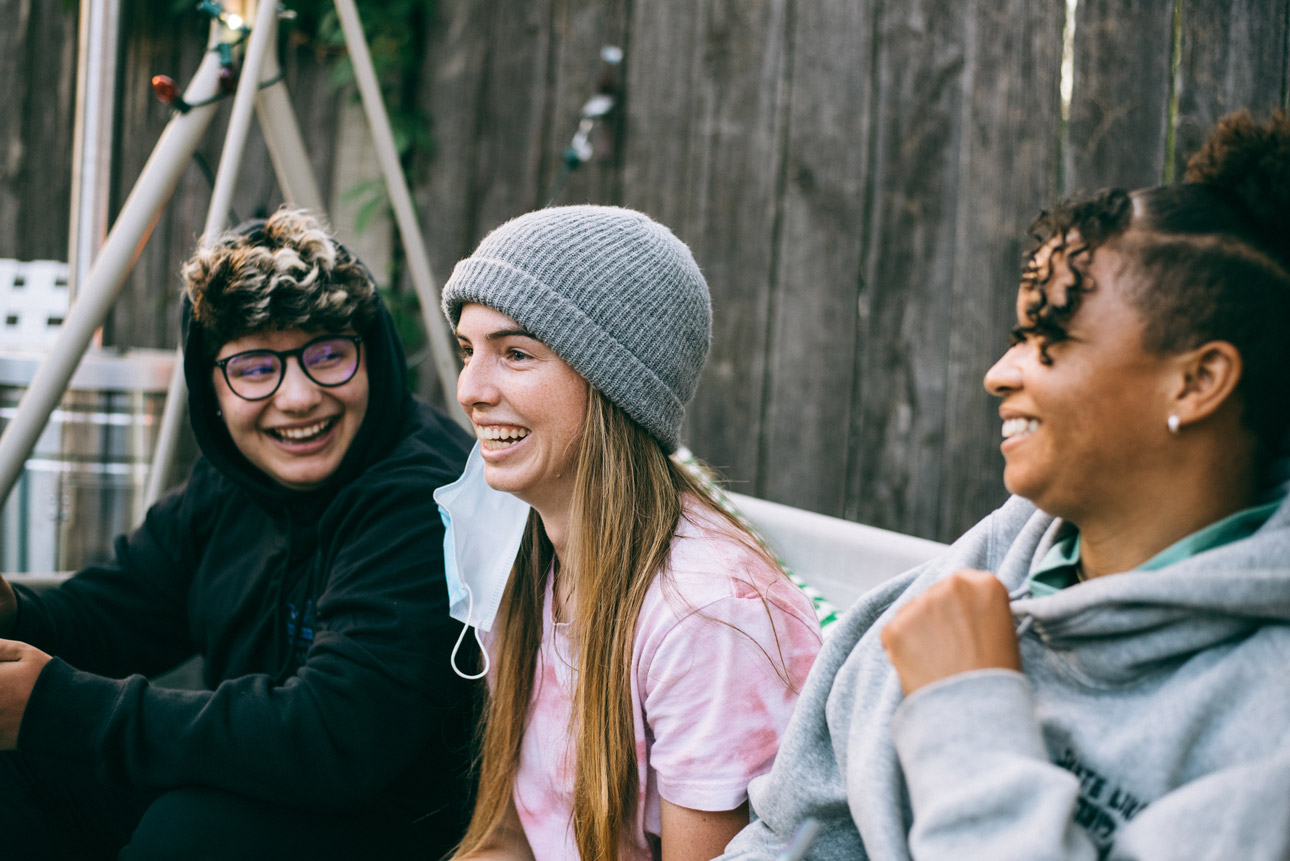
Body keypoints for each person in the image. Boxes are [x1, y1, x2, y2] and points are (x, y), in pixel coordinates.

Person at [719, 110, 1290, 859]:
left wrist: (965, 706)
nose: (997, 373)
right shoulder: (988, 562)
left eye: (1050, 339)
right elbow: (790, 834)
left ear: (1197, 380)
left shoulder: (1267, 724)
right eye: (1019, 335)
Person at [0, 208, 479, 859]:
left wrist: (58, 708)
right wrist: (15, 611)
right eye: (255, 367)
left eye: (328, 355)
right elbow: (114, 615)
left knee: (188, 833)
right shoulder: (233, 482)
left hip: (398, 824)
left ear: (372, 356)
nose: (298, 397)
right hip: (268, 785)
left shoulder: (424, 497)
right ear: (212, 389)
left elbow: (333, 734)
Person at [435, 205, 823, 861]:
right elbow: (508, 836)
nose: (469, 389)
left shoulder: (709, 617)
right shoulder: (517, 553)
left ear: (617, 385)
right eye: (468, 351)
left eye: (516, 353)